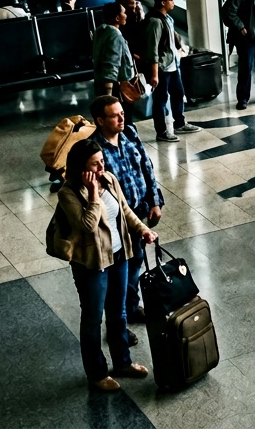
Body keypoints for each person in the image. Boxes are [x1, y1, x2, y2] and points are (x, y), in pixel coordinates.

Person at [56, 139, 158, 391]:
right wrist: (92, 194)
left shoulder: (110, 179)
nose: (101, 168)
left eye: (102, 161)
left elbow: (124, 210)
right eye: (95, 164)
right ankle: (97, 373)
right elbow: (87, 226)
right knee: (92, 319)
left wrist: (142, 229)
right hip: (92, 265)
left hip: (119, 256)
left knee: (119, 312)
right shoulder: (68, 193)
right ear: (82, 168)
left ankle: (123, 362)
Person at [88, 95, 163, 334]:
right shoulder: (94, 151)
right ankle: (117, 322)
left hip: (138, 213)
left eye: (122, 113)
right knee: (119, 273)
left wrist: (154, 200)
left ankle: (130, 308)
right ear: (100, 120)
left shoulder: (129, 133)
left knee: (136, 262)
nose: (121, 118)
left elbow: (146, 167)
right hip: (115, 222)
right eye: (114, 115)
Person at [141, 0, 200, 142]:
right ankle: (161, 131)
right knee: (160, 100)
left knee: (178, 93)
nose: (173, 2)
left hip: (172, 66)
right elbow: (152, 50)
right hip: (161, 68)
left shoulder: (167, 18)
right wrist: (154, 74)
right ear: (162, 2)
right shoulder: (154, 22)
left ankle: (179, 123)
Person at [92, 2, 135, 103]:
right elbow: (112, 62)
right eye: (124, 13)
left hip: (100, 80)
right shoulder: (115, 35)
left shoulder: (101, 31)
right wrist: (108, 92)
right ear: (117, 18)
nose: (126, 15)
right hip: (116, 84)